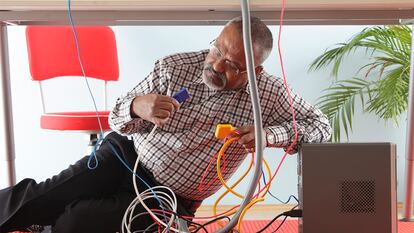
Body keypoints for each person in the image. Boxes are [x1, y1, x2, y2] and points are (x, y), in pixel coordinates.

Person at [0, 16, 331, 233]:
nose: (215, 64)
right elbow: (117, 116)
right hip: (124, 157)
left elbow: (321, 128)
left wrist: (269, 134)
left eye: (231, 64)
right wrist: (135, 106)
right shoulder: (174, 67)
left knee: (78, 223)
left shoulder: (268, 93)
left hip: (170, 197)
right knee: (43, 196)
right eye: (216, 49)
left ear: (254, 73)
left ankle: (45, 227)